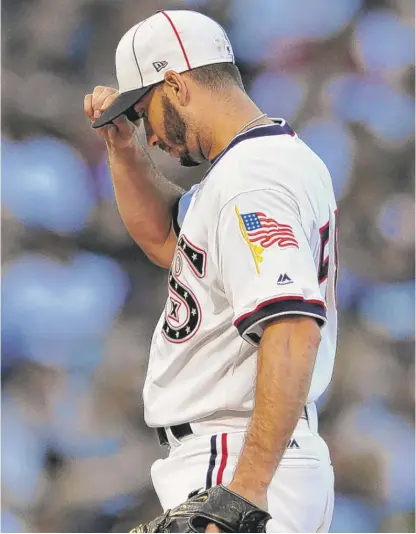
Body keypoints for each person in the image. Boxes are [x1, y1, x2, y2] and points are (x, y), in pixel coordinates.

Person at [84, 9, 338, 532]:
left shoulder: (252, 181)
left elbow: (292, 330)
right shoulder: (255, 167)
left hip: (239, 458)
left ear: (175, 84)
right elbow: (164, 240)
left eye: (143, 112)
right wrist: (123, 148)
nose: (150, 136)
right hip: (244, 458)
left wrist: (243, 494)